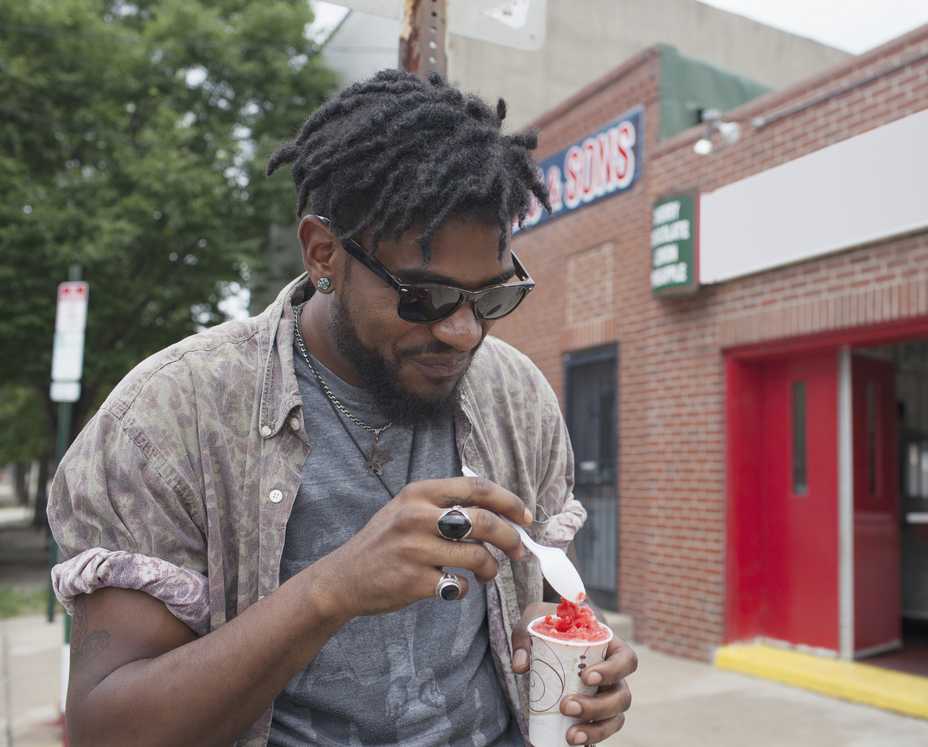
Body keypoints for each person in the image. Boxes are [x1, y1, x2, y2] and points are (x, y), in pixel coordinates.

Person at [47, 69, 637, 747]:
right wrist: (330, 591)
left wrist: (579, 660)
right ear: (323, 252)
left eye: (492, 297)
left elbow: (539, 602)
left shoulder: (516, 394)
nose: (464, 332)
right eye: (423, 297)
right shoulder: (169, 416)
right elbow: (104, 729)